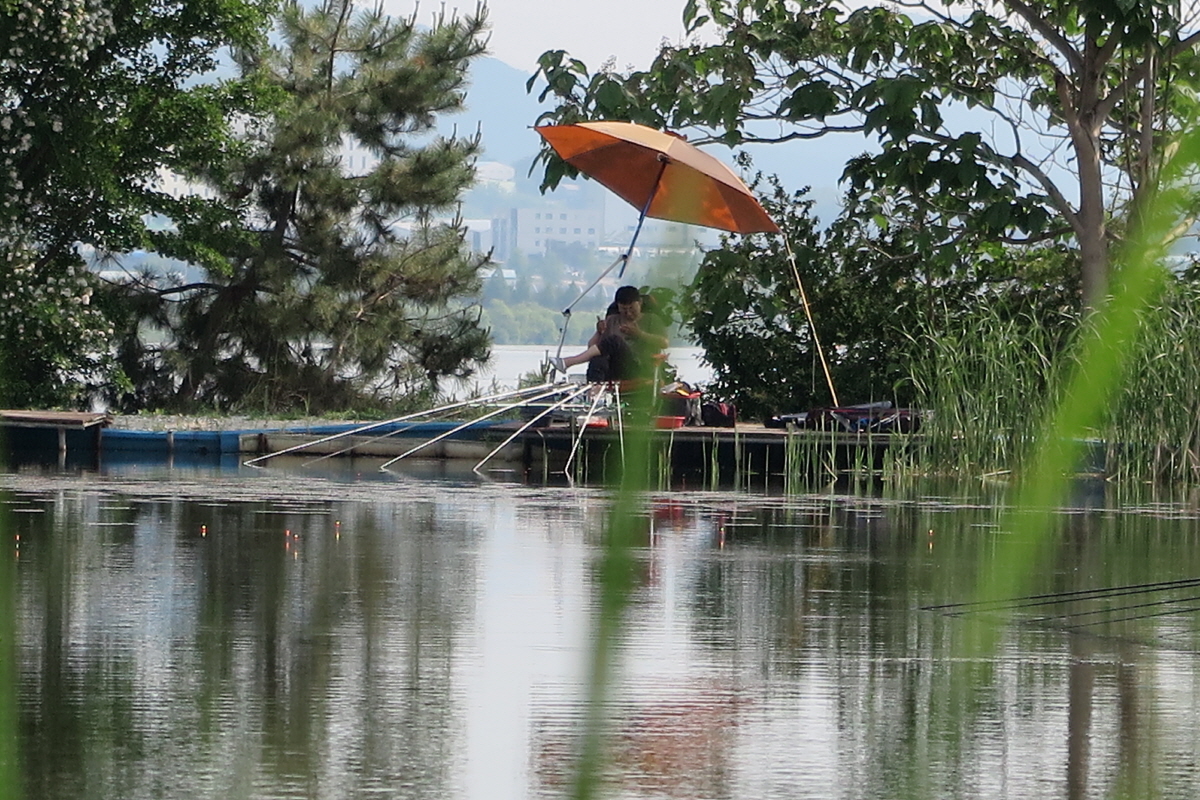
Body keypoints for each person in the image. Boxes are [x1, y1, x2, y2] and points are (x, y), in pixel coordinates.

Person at [549, 285, 669, 382]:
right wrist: (599, 332)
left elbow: (664, 343)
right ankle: (594, 390)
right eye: (624, 309)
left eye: (632, 308)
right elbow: (592, 348)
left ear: (640, 303)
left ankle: (569, 362)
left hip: (639, 366)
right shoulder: (612, 320)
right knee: (597, 358)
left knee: (615, 341)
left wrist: (639, 334)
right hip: (615, 367)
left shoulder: (651, 319)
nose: (628, 313)